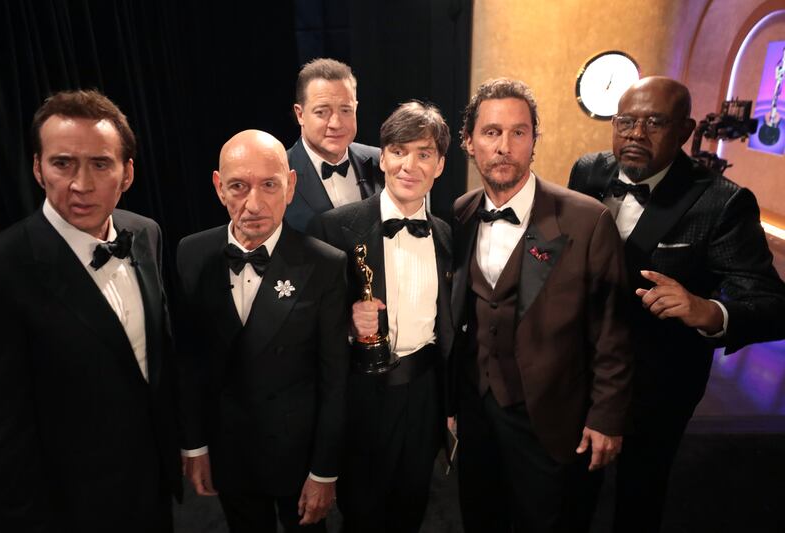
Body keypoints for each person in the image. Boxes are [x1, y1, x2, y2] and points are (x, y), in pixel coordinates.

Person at [568, 76, 785, 533]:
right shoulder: (587, 171)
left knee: (640, 494)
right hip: (584, 369)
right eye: (625, 121)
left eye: (654, 123)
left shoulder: (723, 202)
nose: (635, 134)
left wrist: (707, 310)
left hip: (660, 381)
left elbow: (769, 301)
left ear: (685, 130)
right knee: (572, 487)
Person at [0, 89, 181, 532]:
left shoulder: (144, 233)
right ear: (38, 168)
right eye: (62, 163)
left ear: (127, 173)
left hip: (152, 488)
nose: (81, 184)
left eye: (100, 163)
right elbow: (1, 433)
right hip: (68, 506)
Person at [451, 78, 633, 533]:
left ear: (534, 140)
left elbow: (613, 330)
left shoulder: (587, 220)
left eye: (519, 132)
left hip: (552, 416)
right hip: (478, 409)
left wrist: (606, 416)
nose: (504, 146)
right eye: (491, 132)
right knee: (481, 516)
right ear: (468, 142)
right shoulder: (460, 212)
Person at [177, 129, 349, 533]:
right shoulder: (191, 252)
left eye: (269, 185)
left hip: (297, 451)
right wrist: (195, 444)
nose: (254, 204)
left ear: (290, 186)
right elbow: (189, 362)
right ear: (219, 188)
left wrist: (324, 471)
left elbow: (334, 379)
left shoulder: (324, 264)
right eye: (238, 186)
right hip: (229, 448)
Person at [309, 101, 454, 533]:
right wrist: (347, 326)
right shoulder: (334, 227)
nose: (410, 165)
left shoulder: (448, 234)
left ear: (440, 165)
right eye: (399, 150)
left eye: (424, 153)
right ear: (383, 157)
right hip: (364, 395)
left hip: (425, 393)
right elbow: (309, 327)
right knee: (363, 512)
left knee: (412, 506)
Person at [286, 57, 383, 232]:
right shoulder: (278, 174)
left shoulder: (382, 162)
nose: (336, 123)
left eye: (345, 110)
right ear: (300, 114)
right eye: (322, 112)